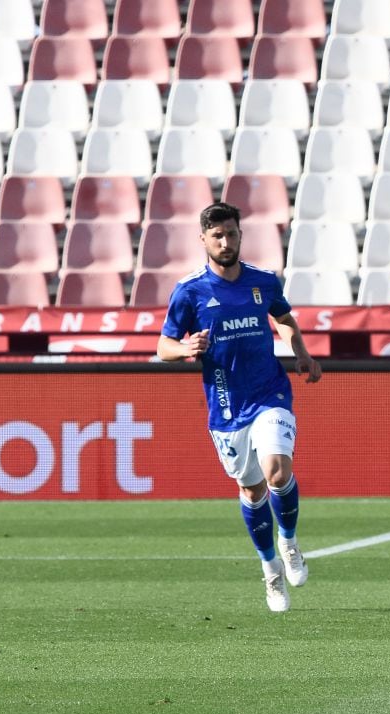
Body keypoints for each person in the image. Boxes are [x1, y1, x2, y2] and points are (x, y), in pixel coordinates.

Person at [157, 202, 322, 613]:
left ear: (240, 235)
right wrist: (184, 349)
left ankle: (289, 541)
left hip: (270, 393)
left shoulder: (263, 281)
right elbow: (163, 347)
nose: (226, 242)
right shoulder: (190, 291)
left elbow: (283, 318)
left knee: (277, 471)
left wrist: (299, 351)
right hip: (226, 406)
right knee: (251, 490)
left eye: (232, 234)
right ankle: (270, 570)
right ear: (204, 240)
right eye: (218, 236)